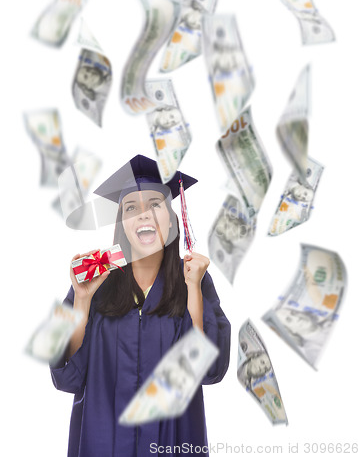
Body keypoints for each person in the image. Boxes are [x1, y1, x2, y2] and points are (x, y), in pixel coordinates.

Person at [50, 155, 231, 457]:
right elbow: (65, 377)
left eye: (155, 205)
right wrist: (81, 299)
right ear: (123, 223)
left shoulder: (194, 279)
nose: (143, 215)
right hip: (103, 443)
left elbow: (211, 371)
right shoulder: (95, 279)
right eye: (131, 208)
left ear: (172, 220)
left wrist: (194, 290)